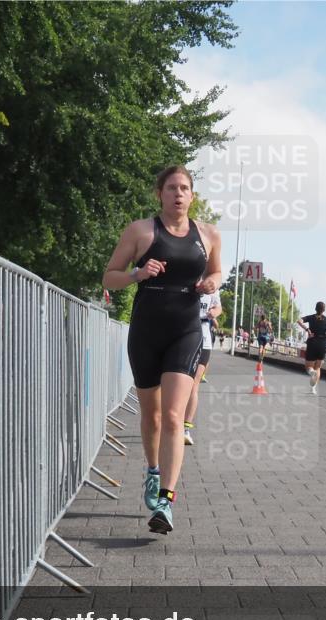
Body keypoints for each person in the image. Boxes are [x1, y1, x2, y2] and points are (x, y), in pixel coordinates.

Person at [102, 166, 222, 534]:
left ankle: (166, 502)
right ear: (160, 193)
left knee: (173, 417)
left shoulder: (209, 234)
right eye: (172, 188)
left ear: (193, 195)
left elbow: (218, 275)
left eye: (185, 188)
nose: (179, 194)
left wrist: (209, 283)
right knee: (151, 417)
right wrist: (138, 274)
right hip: (147, 329)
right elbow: (110, 277)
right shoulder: (141, 231)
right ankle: (153, 472)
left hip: (186, 329)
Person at [183, 290, 222, 445]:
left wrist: (214, 312)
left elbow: (218, 307)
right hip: (182, 335)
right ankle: (170, 422)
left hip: (204, 338)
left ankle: (185, 429)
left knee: (194, 385)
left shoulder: (212, 284)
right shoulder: (186, 275)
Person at [297, 301, 326, 395]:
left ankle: (311, 373)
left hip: (312, 342)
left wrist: (307, 329)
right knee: (318, 367)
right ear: (324, 310)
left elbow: (299, 321)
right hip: (322, 344)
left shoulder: (310, 317)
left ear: (315, 308)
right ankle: (313, 389)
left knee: (309, 367)